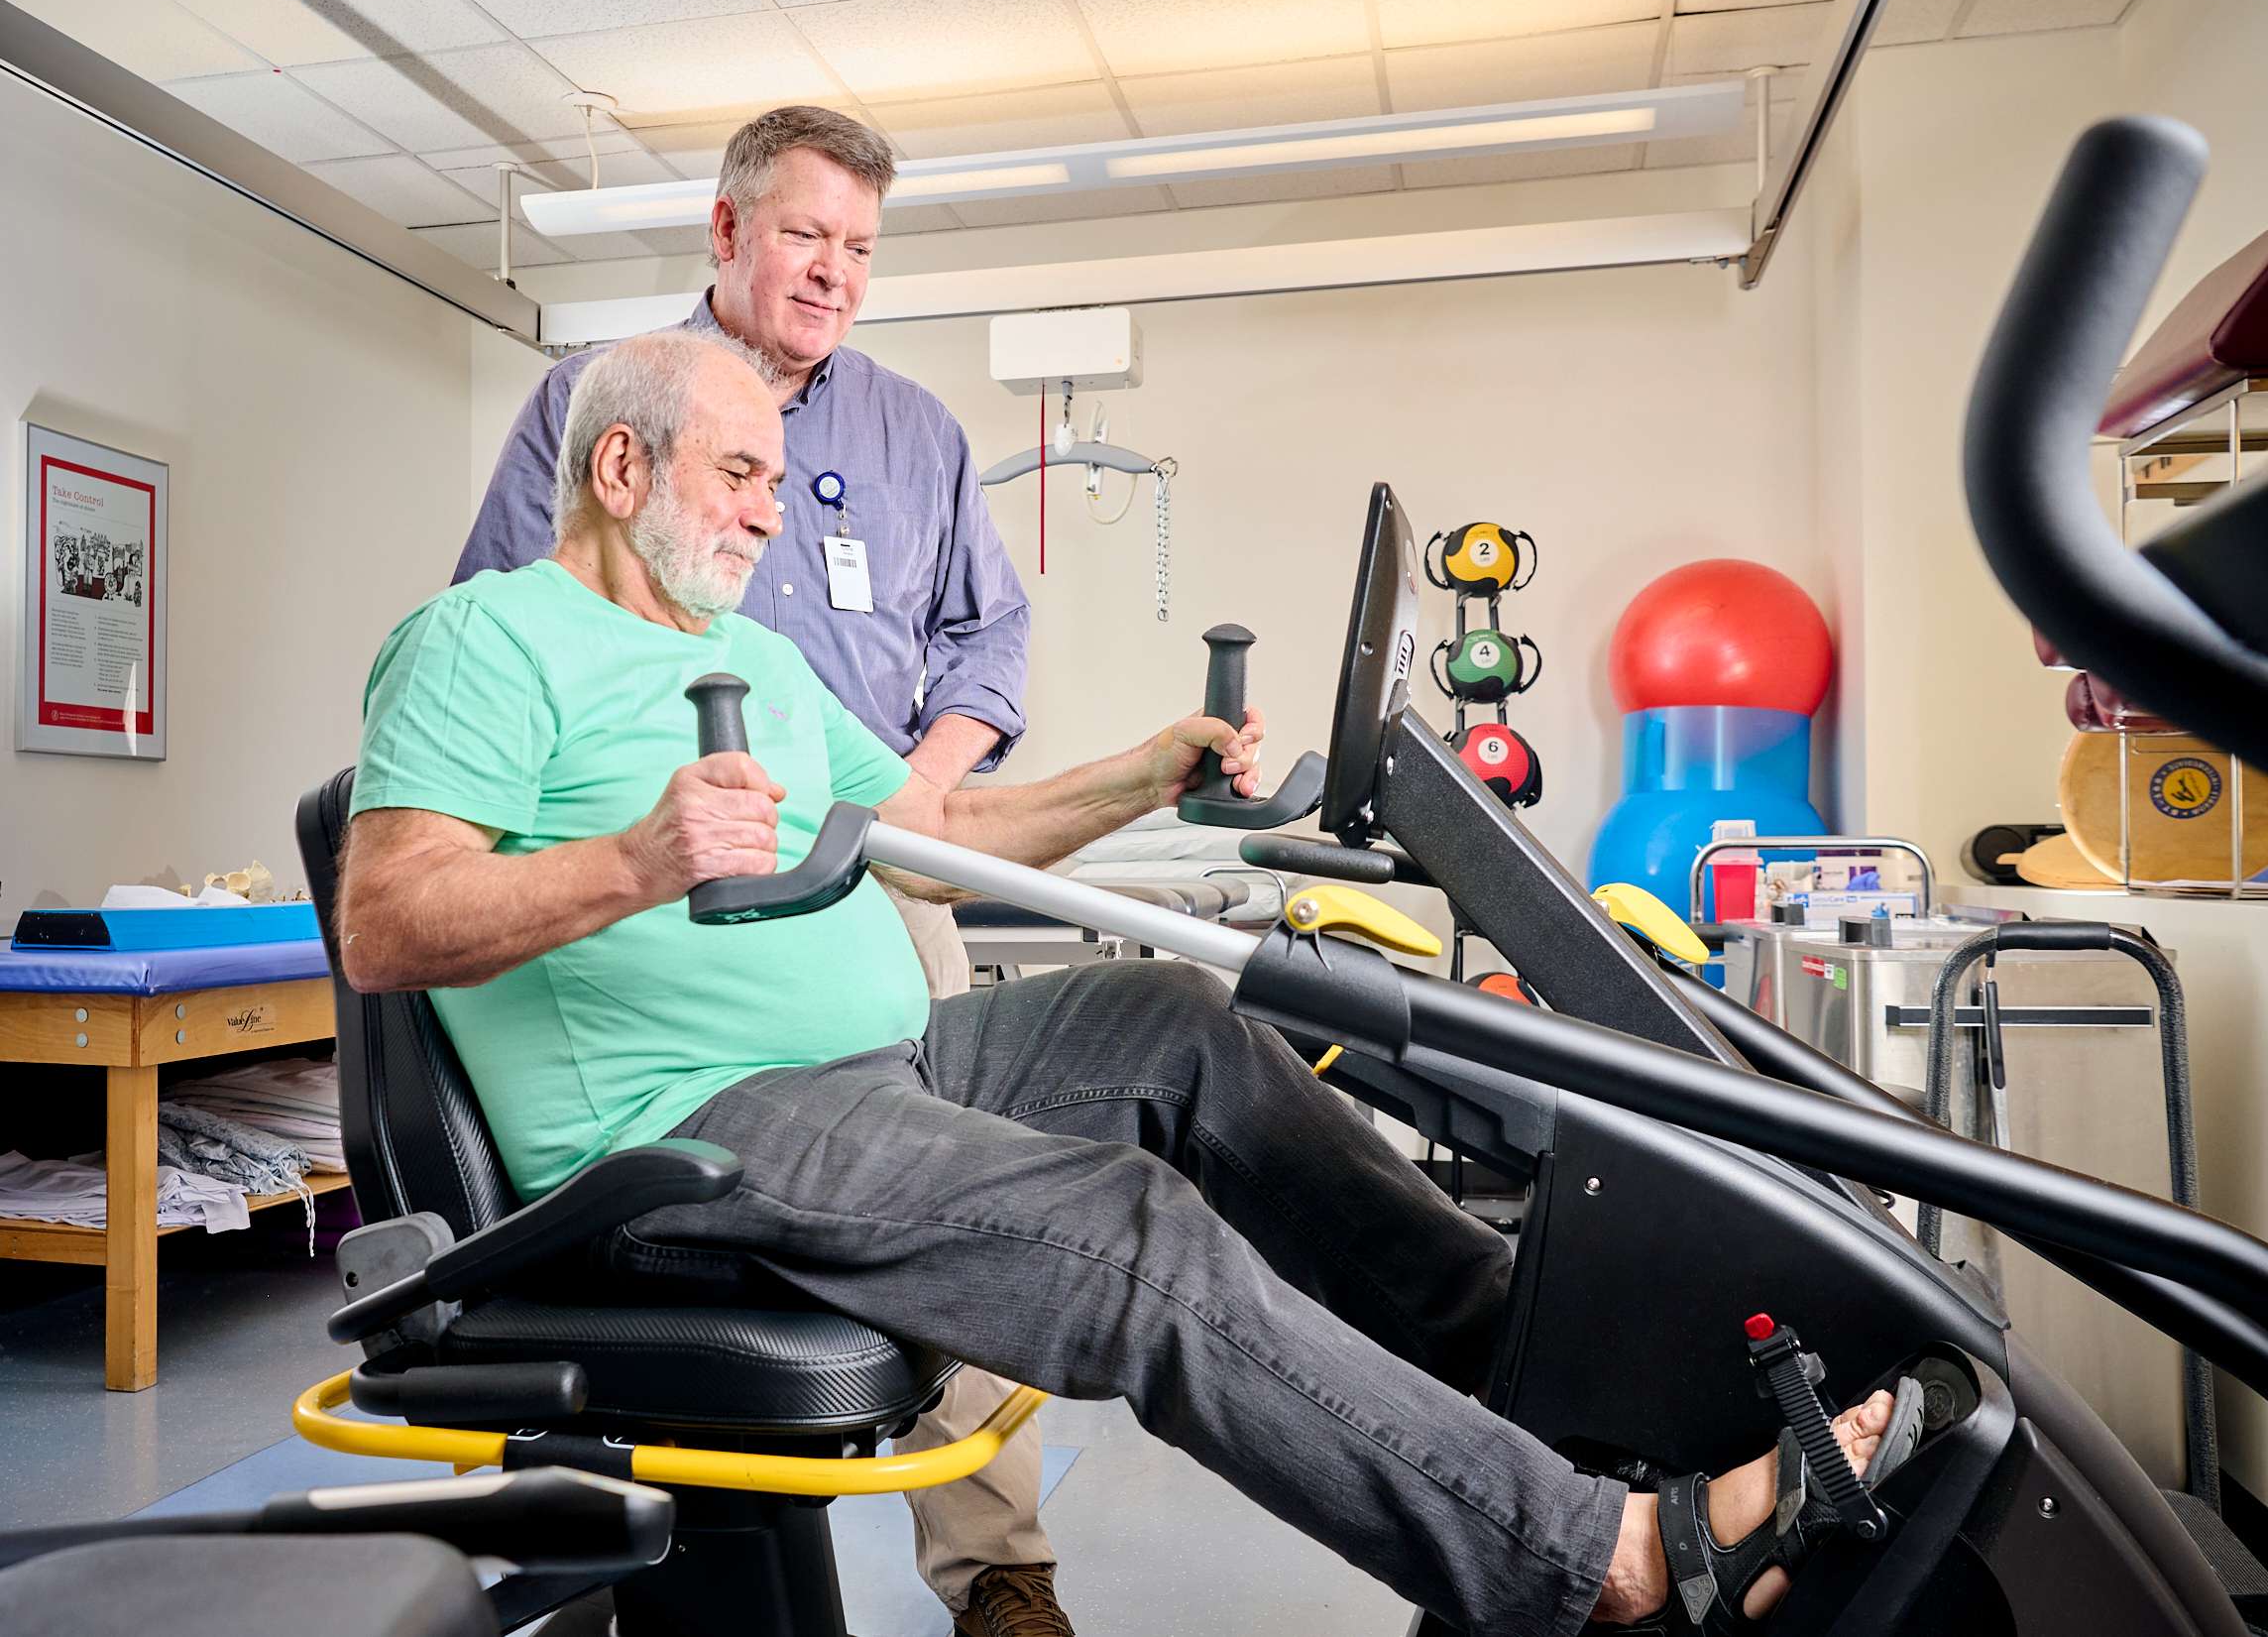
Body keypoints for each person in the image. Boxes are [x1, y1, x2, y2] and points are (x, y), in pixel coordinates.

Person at [345, 329, 1893, 1637]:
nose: (766, 512)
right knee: (1124, 1226)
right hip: (686, 1131)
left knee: (1173, 1024)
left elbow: (943, 836)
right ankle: (1605, 1561)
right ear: (622, 471)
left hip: (885, 1067)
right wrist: (637, 859)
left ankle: (1542, 1376)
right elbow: (387, 921)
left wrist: (1148, 773)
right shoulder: (489, 642)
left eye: (771, 476)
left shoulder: (762, 660)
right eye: (736, 473)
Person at [455, 106, 1053, 1634]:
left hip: (879, 866)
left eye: (860, 248)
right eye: (806, 235)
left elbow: (991, 637)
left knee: (967, 1196)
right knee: (676, 1219)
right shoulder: (598, 401)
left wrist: (919, 793)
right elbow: (507, 621)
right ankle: (626, 1554)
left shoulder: (916, 431)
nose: (834, 272)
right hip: (661, 889)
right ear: (726, 233)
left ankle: (998, 1575)